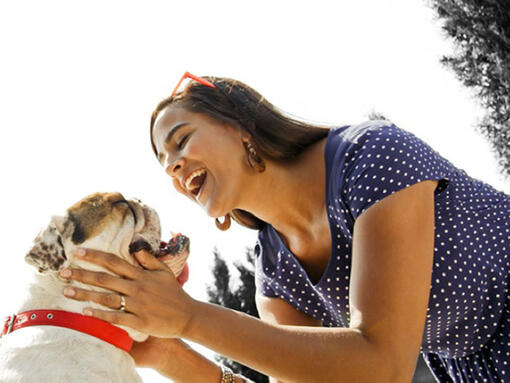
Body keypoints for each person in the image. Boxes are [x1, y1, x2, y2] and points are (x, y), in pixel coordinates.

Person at [58, 72, 510, 382]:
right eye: (164, 164)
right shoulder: (276, 270)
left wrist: (190, 316)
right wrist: (170, 351)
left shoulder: (371, 155)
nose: (173, 165)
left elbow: (382, 365)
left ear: (241, 126)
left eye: (182, 140)